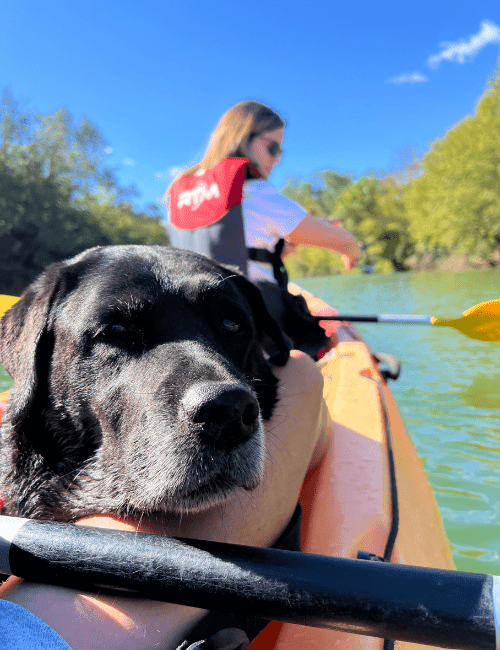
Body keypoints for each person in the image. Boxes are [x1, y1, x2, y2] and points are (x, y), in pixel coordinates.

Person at [0, 102, 347, 649]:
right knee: (304, 372)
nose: (221, 393)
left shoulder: (188, 194)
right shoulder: (257, 194)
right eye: (115, 332)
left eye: (230, 326)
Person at [164, 100, 362, 286]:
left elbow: (232, 255)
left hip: (199, 313)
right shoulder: (252, 190)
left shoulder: (181, 192)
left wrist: (288, 244)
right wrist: (352, 251)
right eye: (273, 148)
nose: (277, 160)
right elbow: (345, 241)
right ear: (243, 138)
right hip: (247, 314)